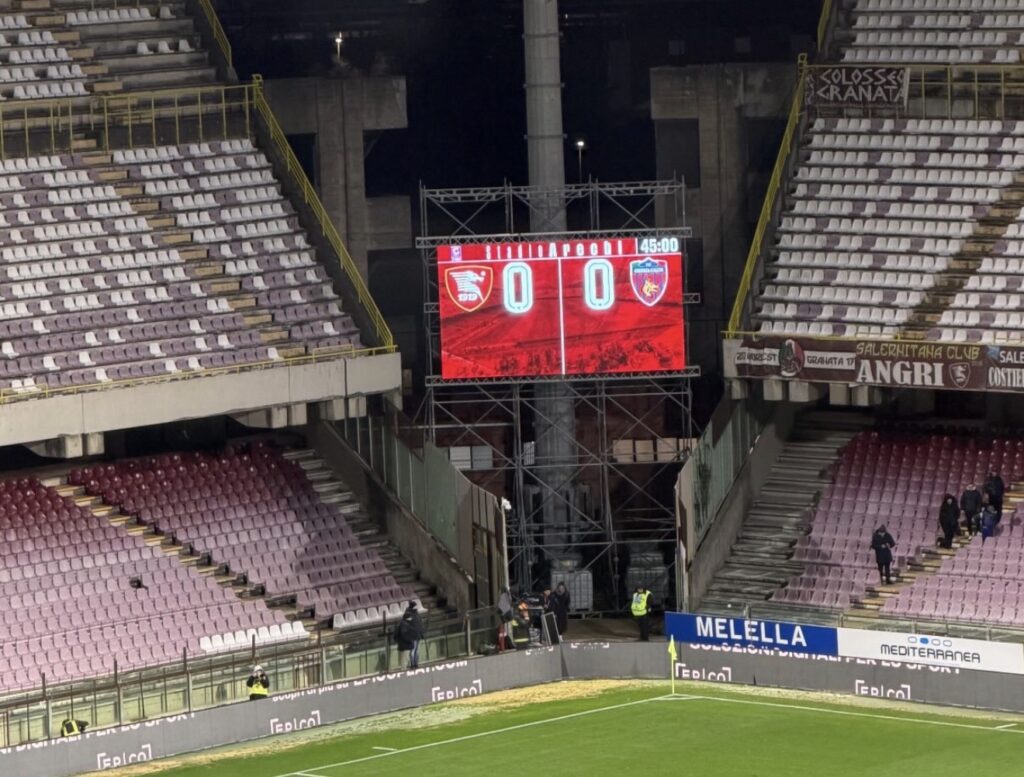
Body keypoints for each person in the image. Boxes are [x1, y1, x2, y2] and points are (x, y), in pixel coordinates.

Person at [396, 600, 425, 669]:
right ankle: (413, 664)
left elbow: (419, 625)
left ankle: (415, 663)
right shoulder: (409, 614)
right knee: (413, 651)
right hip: (413, 636)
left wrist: (421, 633)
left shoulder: (415, 614)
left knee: (416, 651)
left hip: (417, 635)